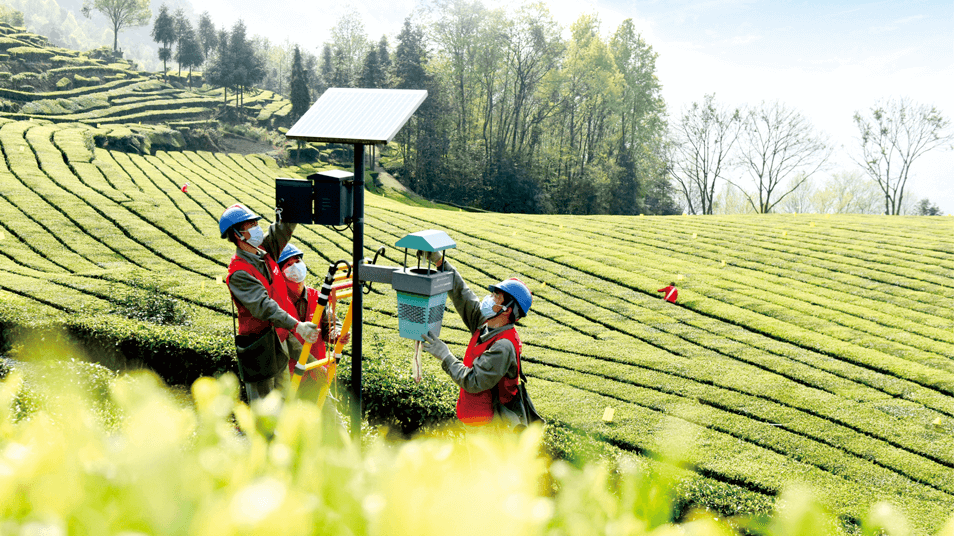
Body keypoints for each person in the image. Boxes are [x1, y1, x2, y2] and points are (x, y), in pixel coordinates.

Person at [418, 251, 533, 429]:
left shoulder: (503, 346)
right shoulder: (486, 324)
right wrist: (440, 261)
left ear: (508, 309)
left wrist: (446, 356)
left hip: (490, 429)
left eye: (496, 296)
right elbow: (463, 295)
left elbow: (473, 381)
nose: (489, 298)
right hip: (474, 420)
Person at [220, 203, 319, 402]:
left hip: (279, 341)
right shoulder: (239, 272)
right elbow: (265, 307)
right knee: (265, 409)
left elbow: (282, 230)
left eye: (257, 222)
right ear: (238, 234)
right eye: (251, 225)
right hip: (260, 348)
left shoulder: (264, 253)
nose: (257, 227)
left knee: (284, 404)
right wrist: (297, 326)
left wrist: (296, 200)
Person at [276, 243, 349, 401]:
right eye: (289, 264)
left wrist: (336, 332)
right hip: (290, 376)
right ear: (280, 272)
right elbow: (286, 339)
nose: (295, 267)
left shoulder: (317, 297)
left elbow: (329, 321)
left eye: (297, 262)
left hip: (316, 374)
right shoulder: (277, 302)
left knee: (329, 419)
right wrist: (313, 365)